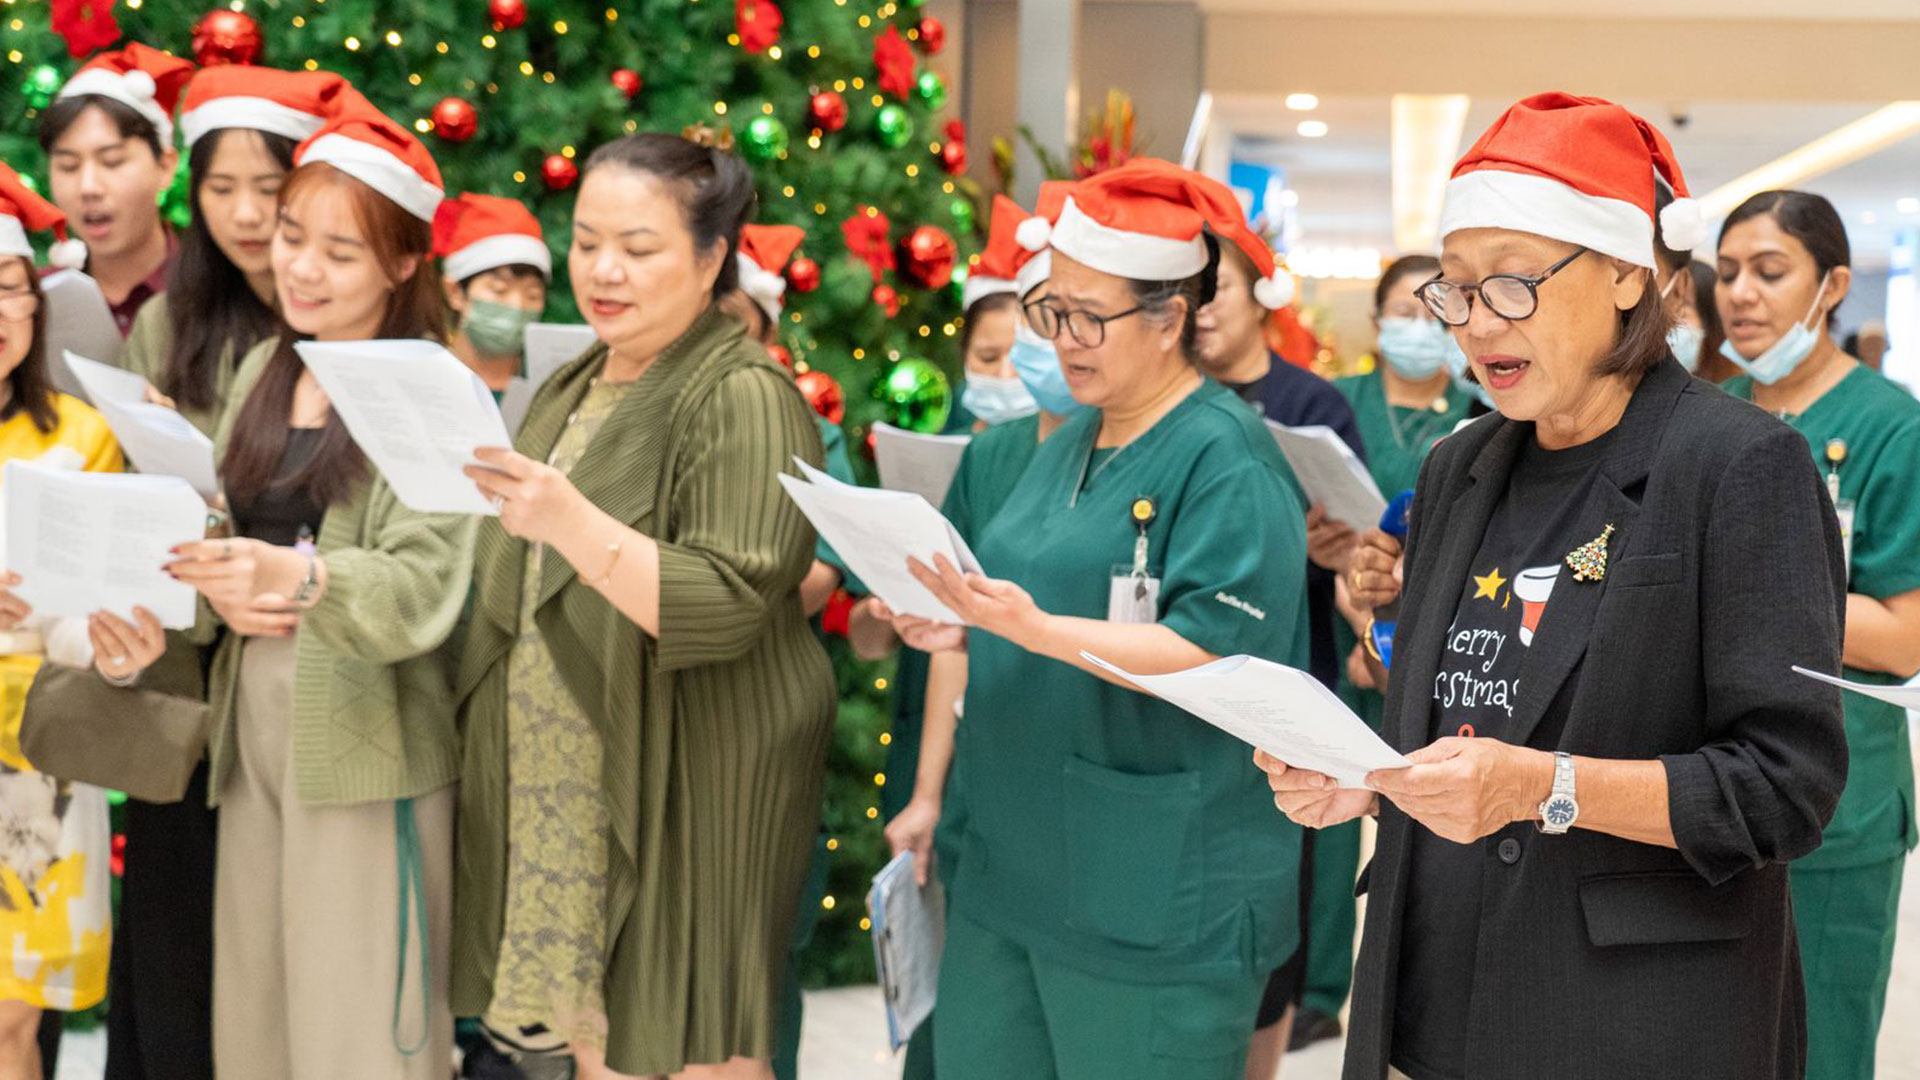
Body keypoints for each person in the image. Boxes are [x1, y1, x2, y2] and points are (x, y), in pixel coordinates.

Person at [1261, 93, 1849, 1080]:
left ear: (1624, 273)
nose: (1475, 323)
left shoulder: (1739, 465)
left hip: (1628, 1020)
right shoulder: (1460, 466)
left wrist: (1546, 788)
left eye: (1512, 284)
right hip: (1431, 990)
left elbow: (1784, 791)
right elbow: (1462, 723)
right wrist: (1368, 783)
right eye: (1455, 290)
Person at [872, 159, 1310, 1080]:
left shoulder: (1228, 460)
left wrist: (1031, 629)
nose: (1060, 338)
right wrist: (965, 624)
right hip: (1013, 863)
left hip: (1153, 884)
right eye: (1050, 309)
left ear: (1170, 318)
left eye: (1086, 317)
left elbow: (1213, 653)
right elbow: (1033, 593)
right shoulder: (1066, 441)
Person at [451, 131, 834, 1080]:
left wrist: (570, 521)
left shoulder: (746, 395)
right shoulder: (580, 375)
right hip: (568, 778)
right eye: (586, 243)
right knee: (600, 1042)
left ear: (711, 259)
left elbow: (731, 598)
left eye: (638, 246)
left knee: (701, 1046)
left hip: (689, 776)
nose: (602, 270)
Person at [136, 98, 474, 1080]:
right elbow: (222, 530)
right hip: (253, 733)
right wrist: (205, 579)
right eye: (292, 238)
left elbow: (429, 582)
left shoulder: (432, 392)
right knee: (258, 1010)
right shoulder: (263, 369)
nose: (302, 268)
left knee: (356, 1024)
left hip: (367, 742)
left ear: (403, 264)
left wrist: (304, 575)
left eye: (340, 251)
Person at [107, 64, 344, 1080]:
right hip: (186, 693)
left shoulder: (345, 328)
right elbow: (130, 510)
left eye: (270, 190)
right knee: (176, 967)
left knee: (287, 977)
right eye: (220, 188)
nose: (246, 216)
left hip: (302, 681)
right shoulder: (171, 326)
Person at [1714, 189, 1920, 1080]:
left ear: (1832, 285)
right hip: (1709, 789)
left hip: (1839, 798)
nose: (1740, 294)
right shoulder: (1710, 414)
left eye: (1769, 271)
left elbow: (1904, 638)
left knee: (1819, 1050)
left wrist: (1745, 589)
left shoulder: (1889, 427)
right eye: (1727, 272)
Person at [879, 187, 1081, 1080]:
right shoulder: (992, 457)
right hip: (978, 767)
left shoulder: (1137, 453)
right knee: (967, 1023)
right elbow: (957, 642)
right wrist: (928, 793)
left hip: (1072, 778)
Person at [1185, 198, 1354, 1079]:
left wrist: (1334, 551)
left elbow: (1356, 535)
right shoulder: (1178, 403)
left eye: (1217, 289)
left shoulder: (1310, 403)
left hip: (1292, 678)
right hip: (1191, 681)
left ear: (1262, 295)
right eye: (1188, 292)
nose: (1201, 309)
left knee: (1275, 882)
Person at [0, 164, 124, 1080]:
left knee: (11, 1026)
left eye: (8, 287)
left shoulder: (83, 436)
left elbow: (95, 613)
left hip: (40, 763)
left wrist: (114, 642)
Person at [39, 44, 194, 334]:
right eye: (68, 166)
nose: (88, 187)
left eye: (112, 162)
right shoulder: (32, 306)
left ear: (165, 167)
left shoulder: (214, 296)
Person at [434, 192, 550, 397]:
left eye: (532, 295)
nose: (517, 305)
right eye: (499, 290)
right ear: (455, 292)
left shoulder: (550, 389)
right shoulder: (423, 377)